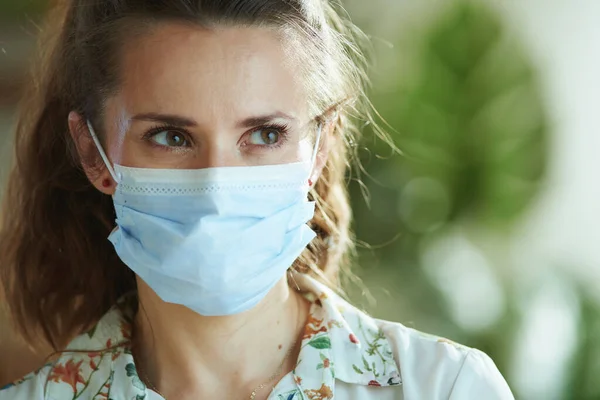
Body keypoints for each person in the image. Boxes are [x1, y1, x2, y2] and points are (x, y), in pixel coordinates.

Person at [0, 0, 514, 399]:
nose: (217, 188)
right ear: (94, 152)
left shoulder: (445, 389)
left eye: (265, 135)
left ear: (321, 148)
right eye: (171, 137)